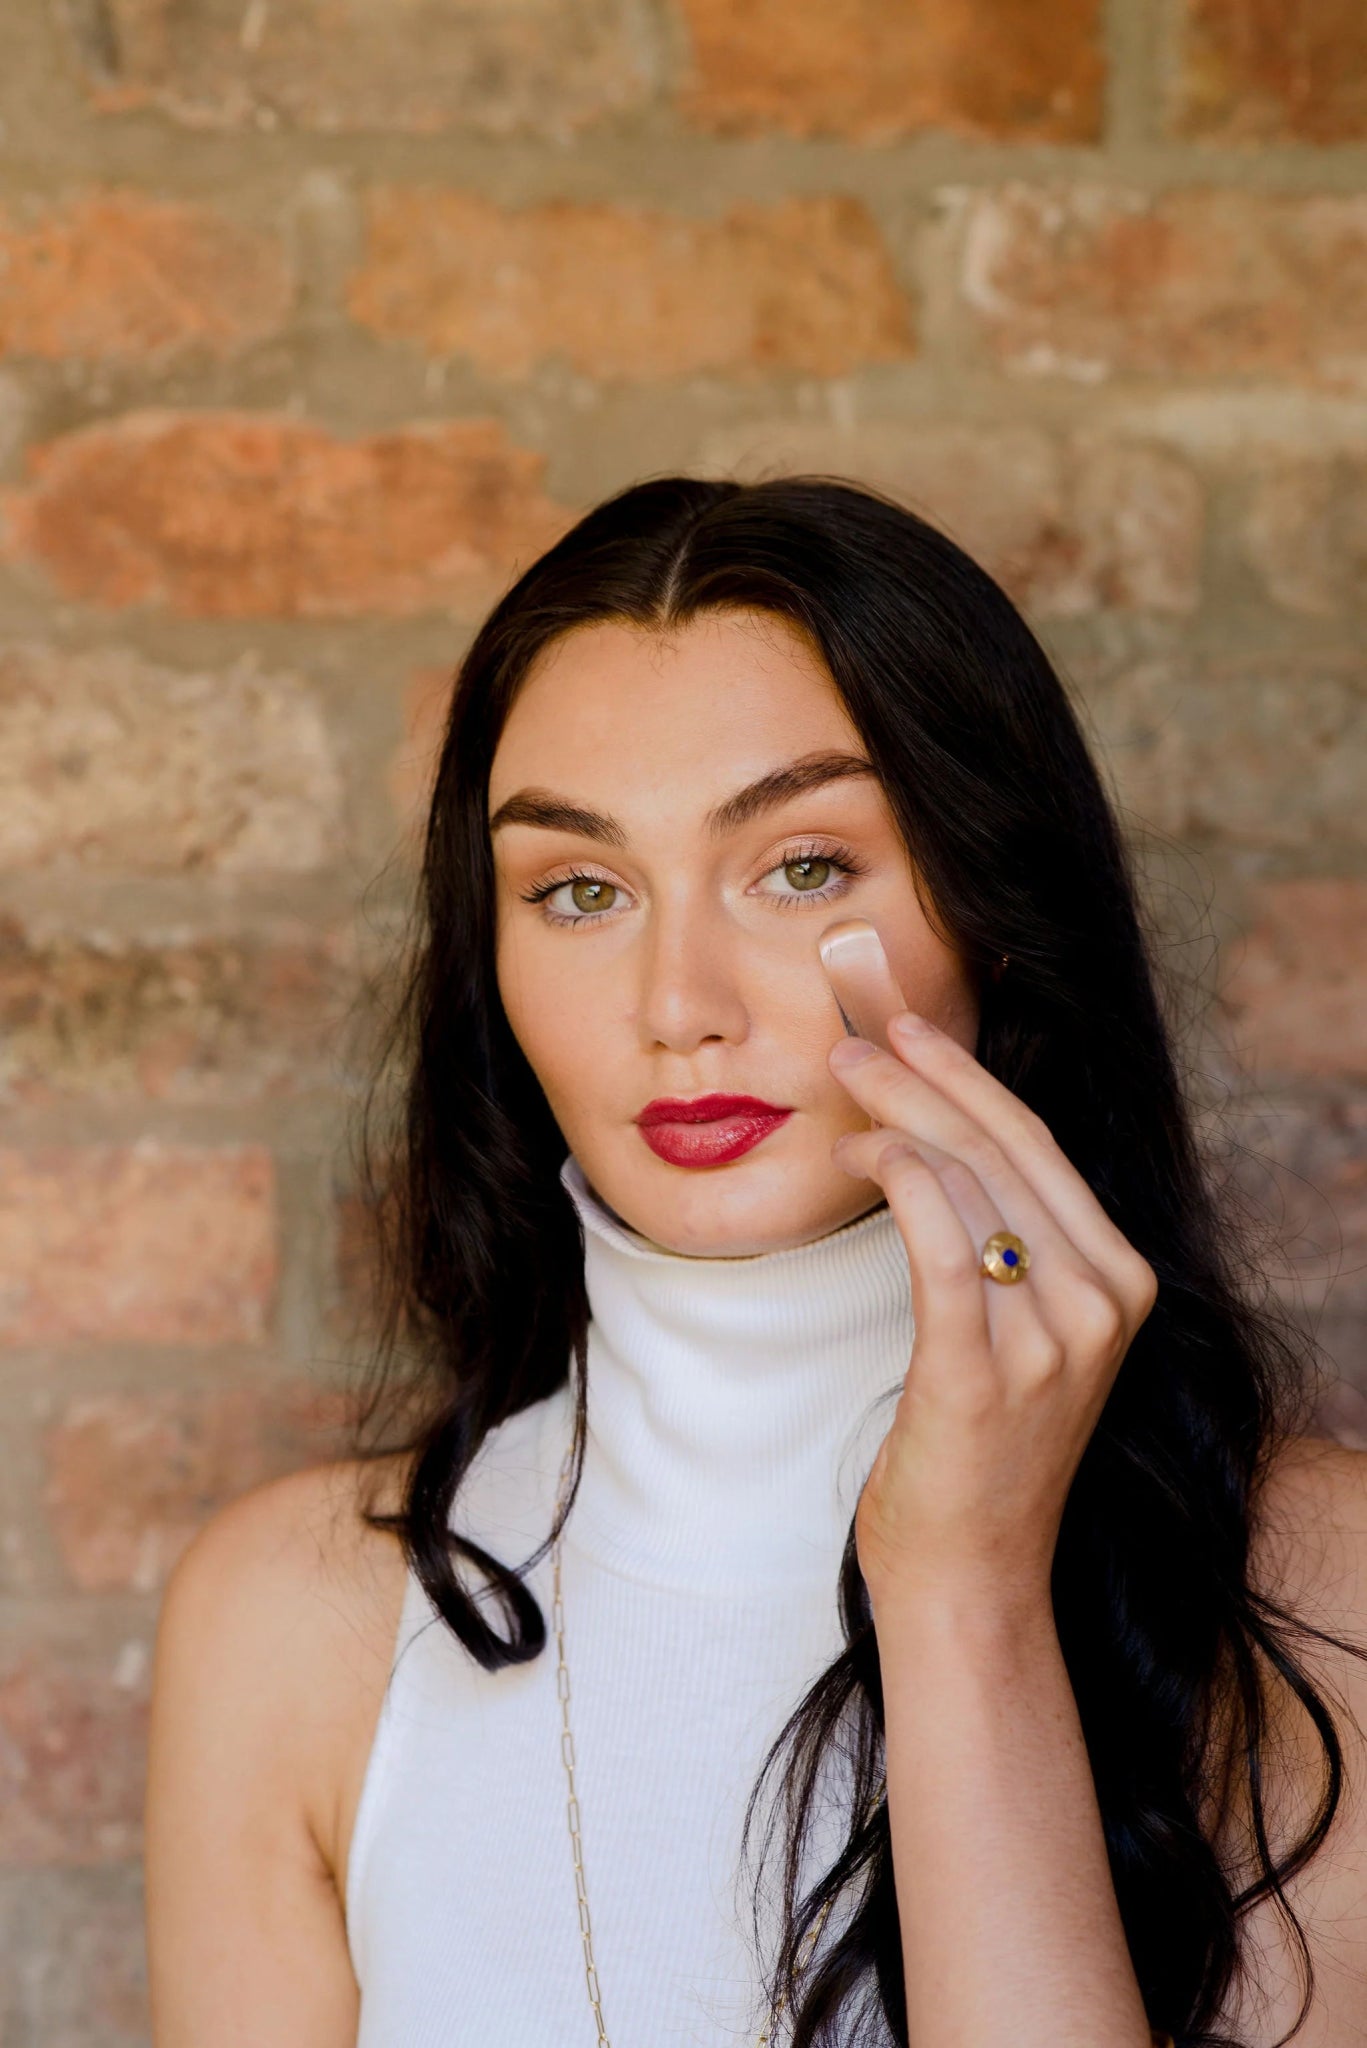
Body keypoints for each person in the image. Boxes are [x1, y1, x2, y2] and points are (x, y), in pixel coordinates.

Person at [143, 476, 1367, 2047]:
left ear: (993, 911)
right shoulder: (292, 1623)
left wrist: (965, 1594)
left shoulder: (1320, 1594)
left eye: (802, 868)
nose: (677, 1002)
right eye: (579, 890)